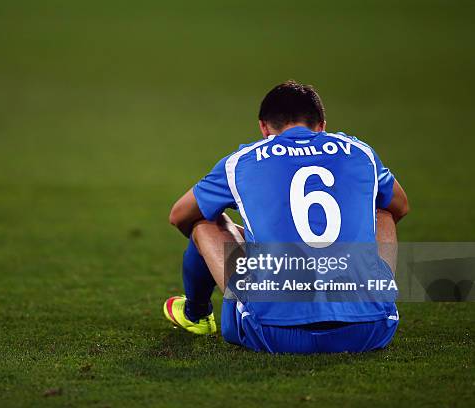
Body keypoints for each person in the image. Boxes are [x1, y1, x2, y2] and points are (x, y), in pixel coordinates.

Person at [163, 80, 410, 353]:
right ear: (322, 125)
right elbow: (400, 206)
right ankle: (373, 295)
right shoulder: (360, 152)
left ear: (263, 127)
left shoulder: (242, 161)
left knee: (206, 220)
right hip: (371, 330)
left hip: (273, 333)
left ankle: (195, 314)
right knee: (382, 209)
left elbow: (178, 215)